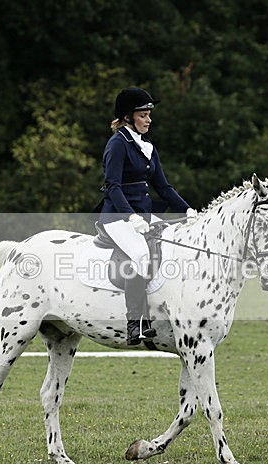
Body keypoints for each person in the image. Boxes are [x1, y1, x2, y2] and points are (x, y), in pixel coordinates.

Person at [99, 87, 196, 345]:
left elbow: (163, 187)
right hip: (118, 217)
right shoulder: (118, 144)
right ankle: (135, 323)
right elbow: (112, 186)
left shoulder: (147, 146)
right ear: (128, 117)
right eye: (143, 115)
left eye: (149, 115)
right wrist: (131, 217)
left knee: (173, 242)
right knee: (141, 254)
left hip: (144, 215)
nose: (149, 120)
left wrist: (187, 210)